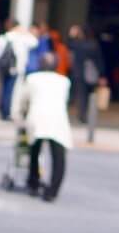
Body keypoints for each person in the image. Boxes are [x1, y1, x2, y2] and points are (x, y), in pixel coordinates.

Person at [12, 52, 73, 202]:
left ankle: (33, 182)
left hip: (37, 118)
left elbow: (23, 99)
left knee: (34, 150)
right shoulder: (64, 81)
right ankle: (53, 190)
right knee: (59, 157)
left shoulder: (32, 79)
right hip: (58, 120)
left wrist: (19, 115)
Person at [0, 19, 38, 120]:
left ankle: (3, 111)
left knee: (4, 89)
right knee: (11, 91)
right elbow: (35, 42)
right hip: (15, 68)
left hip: (3, 68)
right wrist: (25, 32)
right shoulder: (21, 38)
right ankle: (7, 112)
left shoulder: (3, 37)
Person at [67, 24, 106, 124]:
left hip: (79, 73)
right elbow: (99, 60)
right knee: (90, 95)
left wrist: (72, 35)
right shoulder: (93, 44)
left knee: (81, 94)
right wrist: (102, 75)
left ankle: (82, 114)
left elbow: (69, 44)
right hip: (91, 74)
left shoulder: (77, 44)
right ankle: (86, 114)